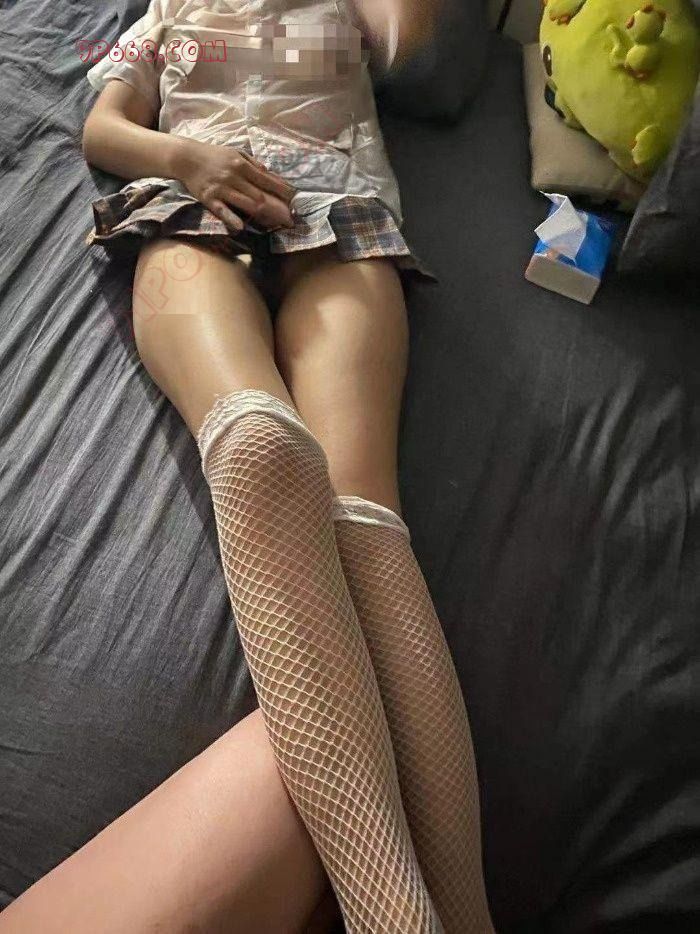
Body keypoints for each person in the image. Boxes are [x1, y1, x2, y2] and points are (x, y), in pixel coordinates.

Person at [2, 1, 494, 931]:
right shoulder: (167, 11)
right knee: (260, 445)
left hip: (337, 210)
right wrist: (188, 158)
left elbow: (414, 37)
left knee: (364, 524)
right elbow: (104, 128)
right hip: (196, 205)